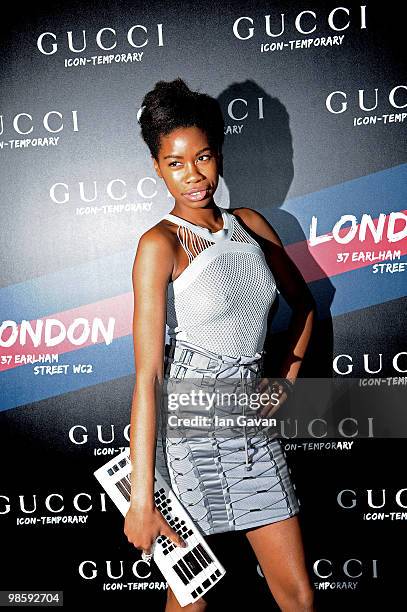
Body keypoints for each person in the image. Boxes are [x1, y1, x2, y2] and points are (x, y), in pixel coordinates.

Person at [124, 77, 317, 611]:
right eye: (176, 163)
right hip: (187, 433)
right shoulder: (158, 244)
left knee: (298, 595)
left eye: (203, 157)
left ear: (219, 153)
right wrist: (142, 495)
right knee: (191, 599)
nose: (194, 176)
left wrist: (283, 381)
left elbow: (304, 307)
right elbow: (149, 376)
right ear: (158, 169)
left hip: (250, 431)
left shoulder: (251, 225)